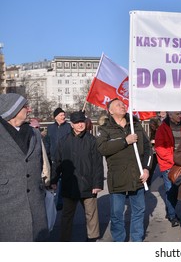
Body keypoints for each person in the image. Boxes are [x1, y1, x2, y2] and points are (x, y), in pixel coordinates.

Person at [96, 98, 152, 242]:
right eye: (118, 105)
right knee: (116, 213)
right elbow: (102, 148)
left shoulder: (136, 125)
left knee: (139, 211)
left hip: (137, 176)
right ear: (110, 110)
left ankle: (136, 239)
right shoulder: (105, 128)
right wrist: (124, 141)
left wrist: (146, 169)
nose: (122, 106)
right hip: (117, 178)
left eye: (123, 104)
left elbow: (148, 150)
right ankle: (119, 241)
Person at [0, 93, 49, 241]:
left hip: (36, 202)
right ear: (13, 110)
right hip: (8, 203)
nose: (29, 110)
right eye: (25, 107)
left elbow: (41, 161)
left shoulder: (34, 133)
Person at [51, 111, 104, 242]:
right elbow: (57, 162)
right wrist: (54, 179)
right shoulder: (63, 141)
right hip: (70, 184)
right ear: (71, 124)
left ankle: (92, 238)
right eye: (77, 123)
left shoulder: (92, 140)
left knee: (91, 214)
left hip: (88, 183)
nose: (80, 125)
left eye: (82, 122)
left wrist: (97, 184)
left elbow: (98, 164)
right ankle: (65, 240)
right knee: (67, 215)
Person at [155, 111, 181, 227]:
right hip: (169, 165)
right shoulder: (162, 129)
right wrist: (174, 159)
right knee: (171, 191)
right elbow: (160, 149)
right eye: (176, 113)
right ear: (170, 115)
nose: (179, 115)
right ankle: (172, 215)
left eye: (179, 113)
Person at [44, 107, 72, 210]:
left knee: (63, 181)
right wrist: (47, 153)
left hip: (65, 158)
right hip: (53, 157)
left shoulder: (69, 127)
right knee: (54, 180)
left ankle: (61, 201)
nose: (63, 116)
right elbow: (47, 141)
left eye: (64, 114)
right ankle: (52, 201)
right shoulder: (50, 128)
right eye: (61, 115)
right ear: (55, 117)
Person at [147, 116, 161, 186]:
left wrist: (155, 141)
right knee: (150, 168)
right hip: (154, 152)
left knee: (165, 171)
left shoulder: (161, 130)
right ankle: (147, 183)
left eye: (152, 125)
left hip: (160, 152)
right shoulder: (152, 131)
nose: (151, 127)